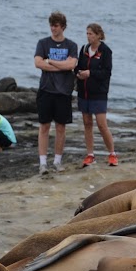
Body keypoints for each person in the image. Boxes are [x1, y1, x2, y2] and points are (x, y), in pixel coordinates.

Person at [34, 11, 78, 174]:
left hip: (64, 92)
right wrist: (62, 64)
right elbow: (38, 63)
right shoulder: (43, 43)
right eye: (51, 25)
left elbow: (71, 65)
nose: (53, 28)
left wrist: (51, 61)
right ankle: (43, 163)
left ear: (63, 27)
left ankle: (57, 161)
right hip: (46, 89)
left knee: (61, 127)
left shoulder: (71, 45)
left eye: (56, 25)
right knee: (44, 126)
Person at [76, 23, 117, 167]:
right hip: (83, 92)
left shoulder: (105, 51)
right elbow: (79, 66)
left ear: (98, 35)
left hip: (99, 93)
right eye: (87, 34)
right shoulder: (84, 49)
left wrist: (90, 73)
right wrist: (79, 74)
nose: (88, 36)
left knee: (101, 124)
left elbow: (107, 72)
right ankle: (90, 154)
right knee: (87, 123)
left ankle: (112, 154)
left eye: (91, 34)